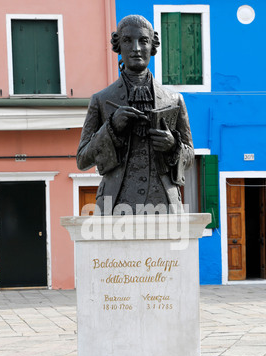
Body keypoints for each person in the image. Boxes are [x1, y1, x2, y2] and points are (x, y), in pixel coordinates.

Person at [77, 14, 194, 215]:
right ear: (118, 46)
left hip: (164, 204)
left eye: (143, 41)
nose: (136, 48)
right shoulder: (101, 100)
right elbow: (82, 160)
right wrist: (111, 129)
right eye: (128, 40)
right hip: (116, 204)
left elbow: (190, 156)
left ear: (153, 46)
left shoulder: (174, 99)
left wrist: (172, 145)